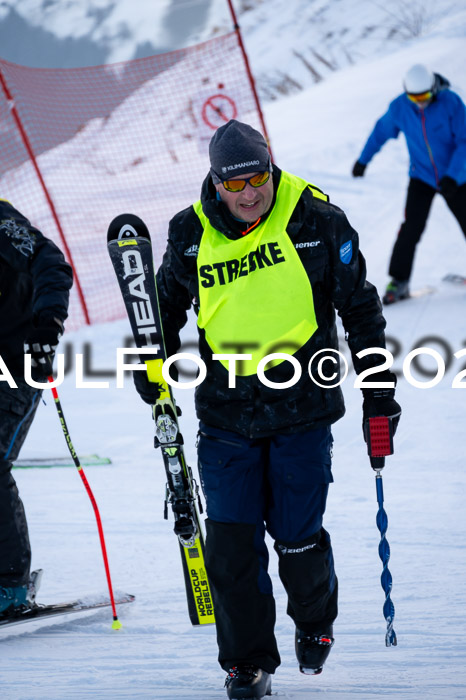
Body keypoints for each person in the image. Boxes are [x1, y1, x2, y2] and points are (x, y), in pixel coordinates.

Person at [134, 120, 401, 699]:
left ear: (270, 168)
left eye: (258, 178)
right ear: (216, 182)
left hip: (303, 410)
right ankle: (247, 664)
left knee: (296, 539)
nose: (249, 193)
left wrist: (379, 393)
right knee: (231, 550)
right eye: (236, 184)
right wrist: (149, 364)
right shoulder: (188, 233)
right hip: (226, 417)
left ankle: (314, 623)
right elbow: (164, 310)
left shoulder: (317, 221)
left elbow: (360, 310)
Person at [0, 199, 72, 617]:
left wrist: (49, 323)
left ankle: (10, 587)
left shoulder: (3, 222)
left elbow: (51, 264)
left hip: (15, 365)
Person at [352, 63, 466, 304]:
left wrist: (453, 176)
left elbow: (464, 141)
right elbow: (380, 132)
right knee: (410, 228)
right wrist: (363, 160)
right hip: (422, 176)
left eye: (424, 96)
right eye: (414, 97)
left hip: (456, 177)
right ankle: (399, 281)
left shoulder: (451, 103)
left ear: (433, 89)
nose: (419, 102)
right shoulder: (400, 107)